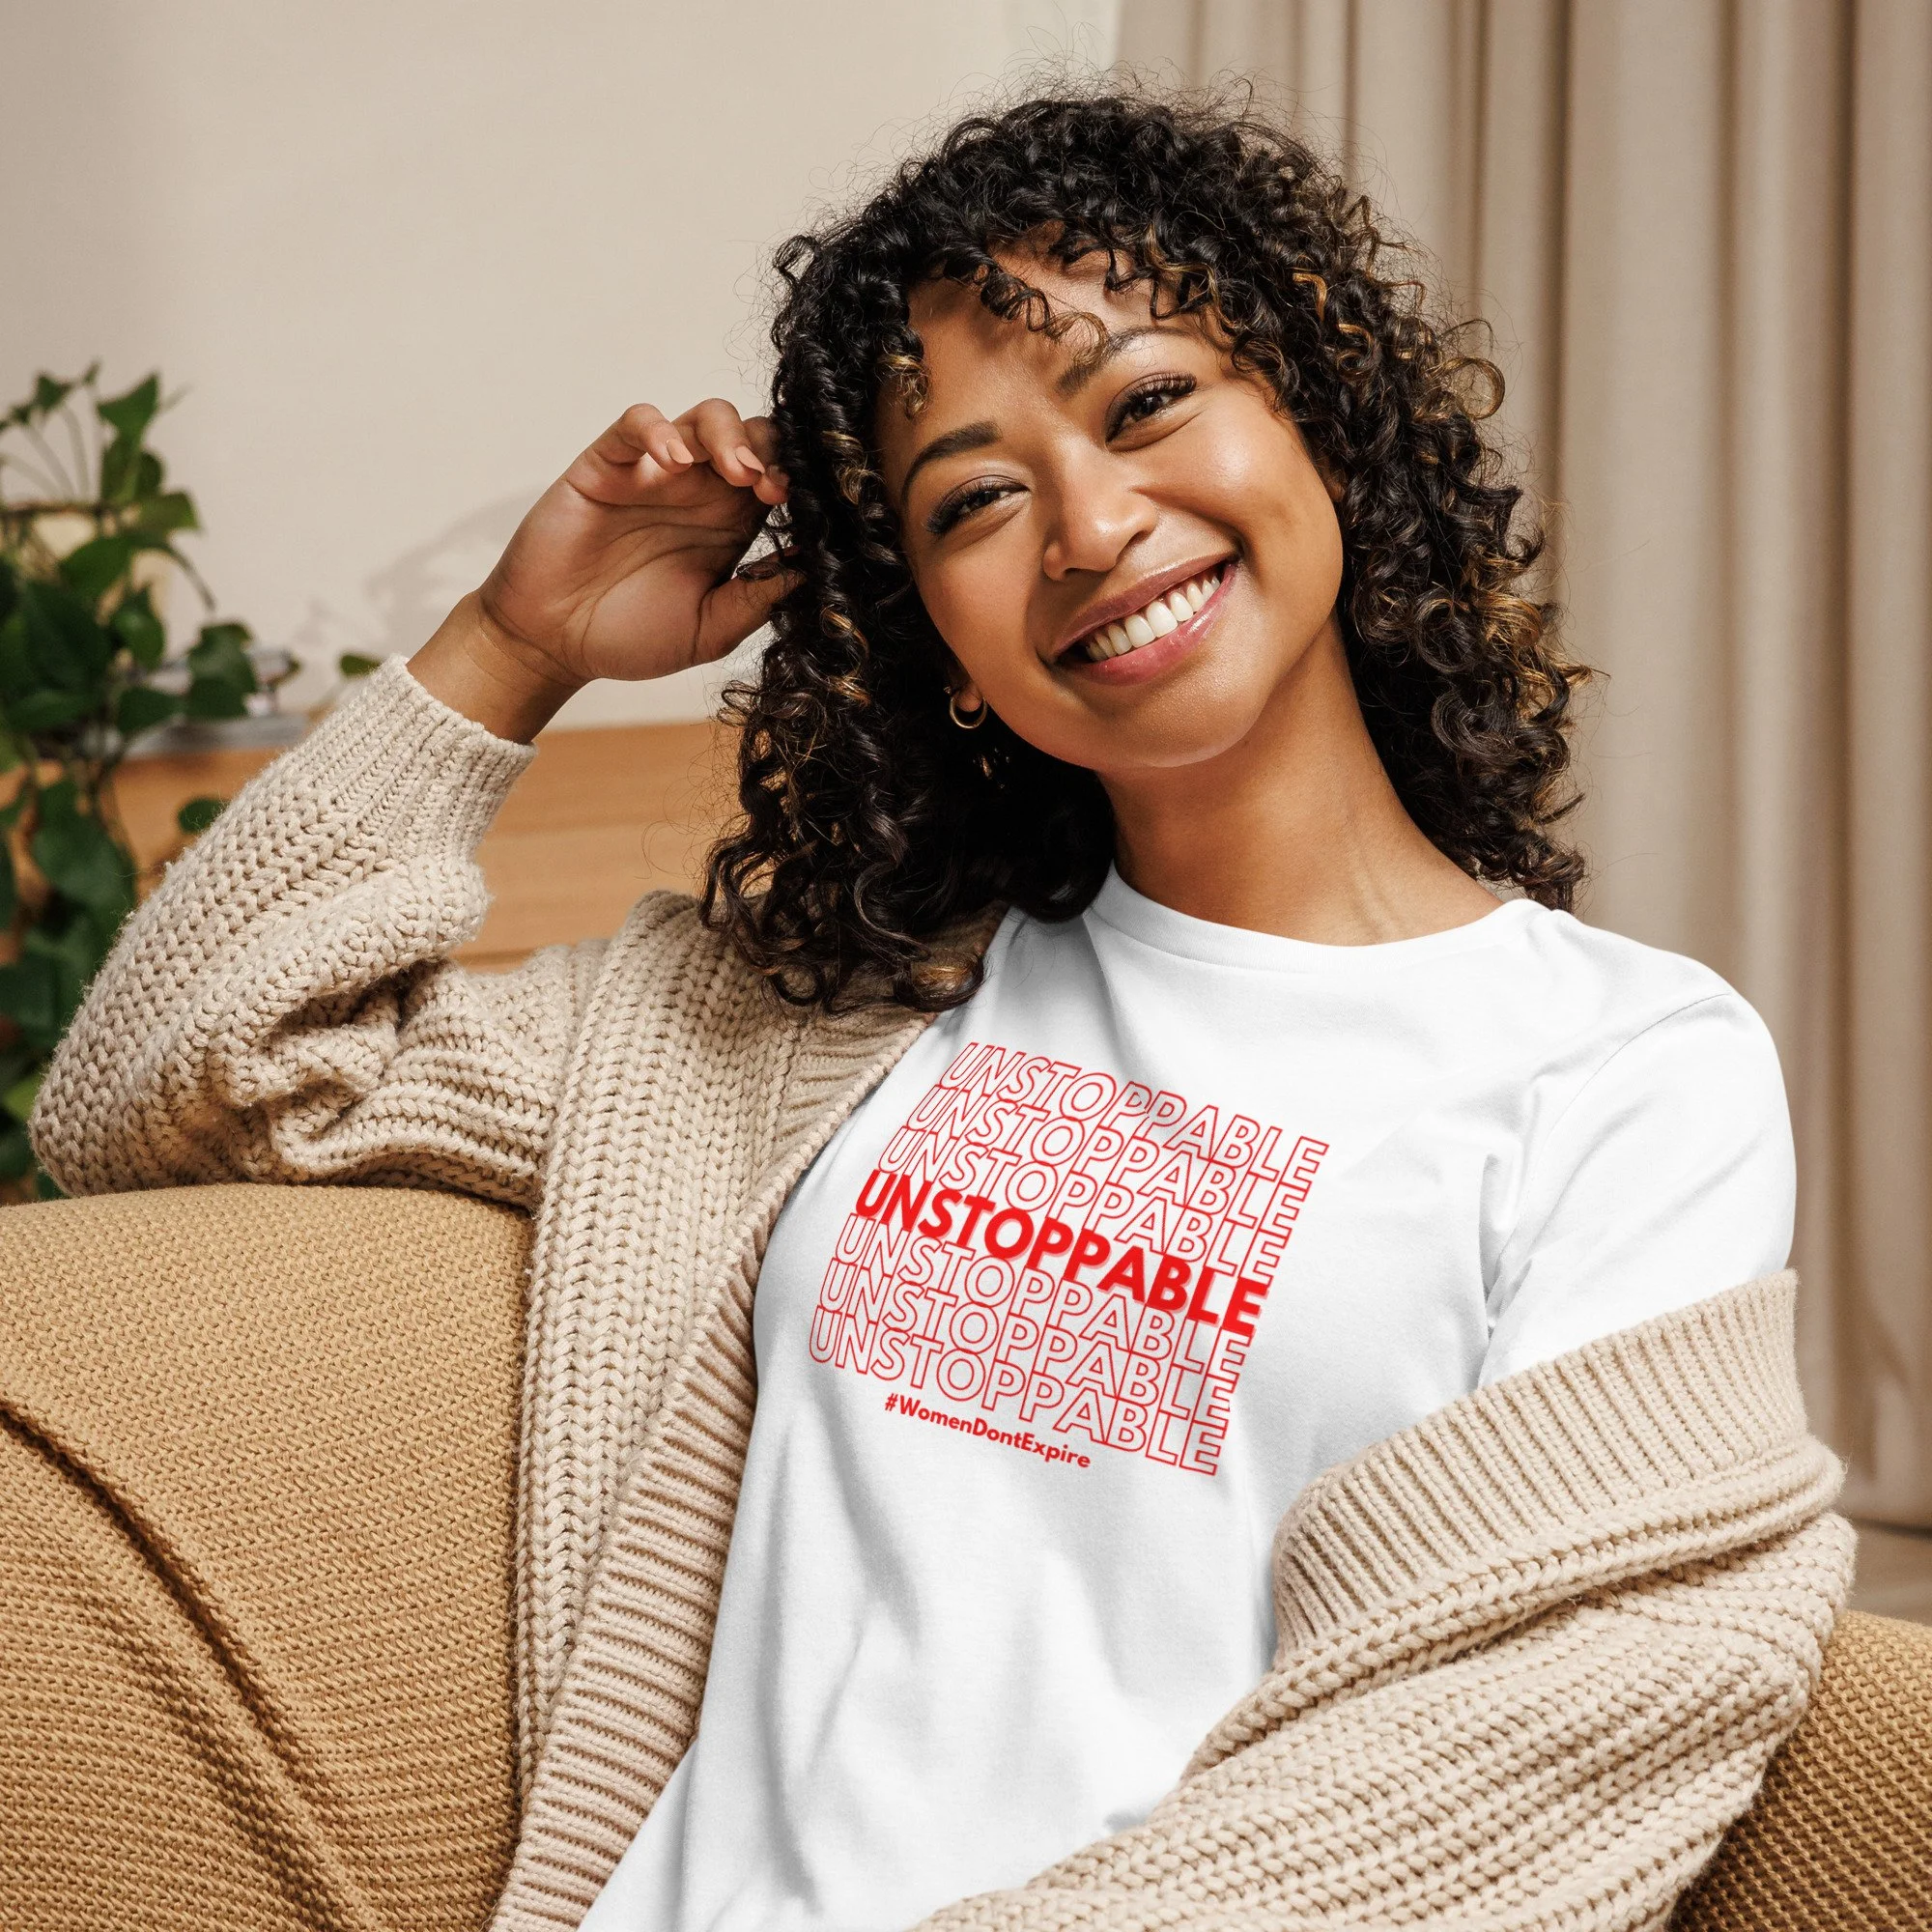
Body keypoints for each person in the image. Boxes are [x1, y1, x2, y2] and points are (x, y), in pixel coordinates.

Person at [25, 90, 1849, 1932]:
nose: (1088, 522)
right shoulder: (816, 1026)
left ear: (1323, 425)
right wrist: (511, 648)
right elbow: (175, 1089)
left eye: (1145, 403)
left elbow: (1519, 1744)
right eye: (975, 496)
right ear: (939, 641)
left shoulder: (1624, 1070)